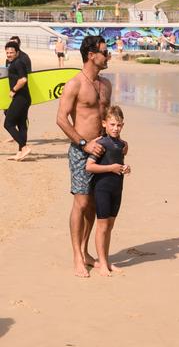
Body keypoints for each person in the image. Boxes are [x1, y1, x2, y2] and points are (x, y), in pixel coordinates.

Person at [56, 35, 113, 277]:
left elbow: (109, 117)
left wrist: (117, 142)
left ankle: (86, 251)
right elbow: (61, 119)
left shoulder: (106, 84)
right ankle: (77, 257)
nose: (107, 55)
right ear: (91, 55)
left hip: (104, 150)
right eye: (104, 51)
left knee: (94, 206)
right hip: (81, 152)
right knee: (81, 203)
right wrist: (83, 143)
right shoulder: (74, 84)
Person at [86, 105, 131, 277]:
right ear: (104, 124)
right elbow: (89, 166)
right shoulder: (101, 143)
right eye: (112, 124)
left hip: (117, 189)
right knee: (102, 226)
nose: (115, 128)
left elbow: (118, 162)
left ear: (123, 125)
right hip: (102, 188)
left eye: (118, 125)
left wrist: (125, 168)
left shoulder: (122, 145)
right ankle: (102, 263)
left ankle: (107, 260)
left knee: (110, 226)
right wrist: (110, 168)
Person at [4, 41, 32, 161]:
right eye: (7, 52)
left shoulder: (18, 63)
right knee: (21, 125)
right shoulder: (14, 63)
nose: (9, 54)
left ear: (17, 52)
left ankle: (24, 147)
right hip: (24, 98)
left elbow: (23, 80)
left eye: (11, 52)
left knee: (8, 124)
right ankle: (21, 152)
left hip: (20, 98)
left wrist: (13, 90)